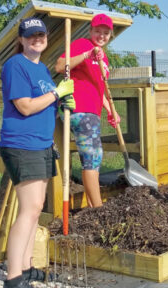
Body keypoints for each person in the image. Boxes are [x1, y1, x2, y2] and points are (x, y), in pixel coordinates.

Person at [0, 17, 75, 288]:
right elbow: (25, 106)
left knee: (36, 208)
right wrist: (57, 92)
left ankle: (28, 267)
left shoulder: (42, 68)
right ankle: (13, 279)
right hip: (22, 145)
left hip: (42, 145)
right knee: (29, 210)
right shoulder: (15, 66)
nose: (37, 39)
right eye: (31, 36)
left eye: (40, 35)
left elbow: (44, 104)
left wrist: (61, 102)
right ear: (21, 40)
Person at [55, 13, 120, 208]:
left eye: (106, 32)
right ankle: (100, 211)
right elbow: (59, 66)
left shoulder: (104, 57)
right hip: (79, 108)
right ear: (91, 31)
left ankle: (93, 207)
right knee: (92, 158)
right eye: (97, 31)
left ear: (110, 35)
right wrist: (86, 54)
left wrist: (110, 110)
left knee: (95, 157)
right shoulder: (82, 45)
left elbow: (98, 88)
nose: (101, 35)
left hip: (92, 111)